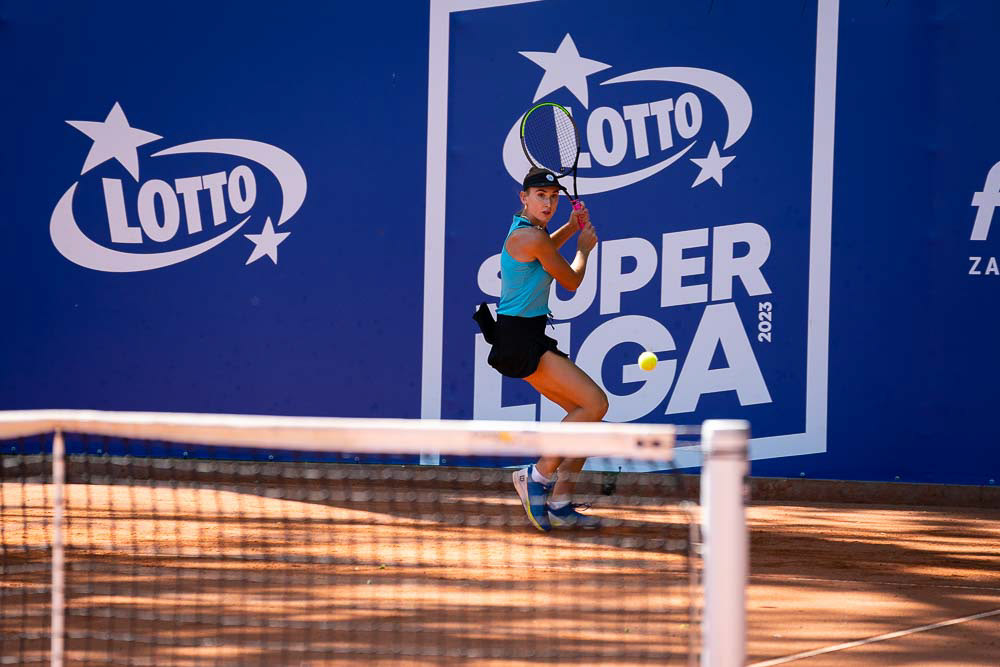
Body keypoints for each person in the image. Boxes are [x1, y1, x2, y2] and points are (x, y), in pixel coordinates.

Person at [474, 167, 608, 532]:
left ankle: (561, 503)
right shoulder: (529, 237)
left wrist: (571, 227)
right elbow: (571, 280)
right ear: (524, 197)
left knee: (587, 418)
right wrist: (584, 249)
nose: (548, 203)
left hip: (524, 337)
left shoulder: (532, 231)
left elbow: (546, 249)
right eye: (540, 196)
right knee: (596, 404)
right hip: (520, 341)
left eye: (553, 197)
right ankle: (536, 476)